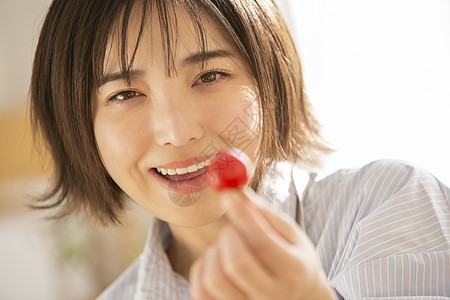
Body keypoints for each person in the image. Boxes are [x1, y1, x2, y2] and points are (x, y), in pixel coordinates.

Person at [29, 0, 450, 299]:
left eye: (210, 75)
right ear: (81, 126)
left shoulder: (391, 204)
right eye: (124, 94)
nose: (177, 132)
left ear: (270, 80)